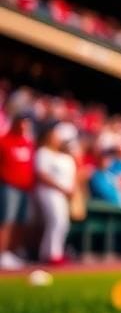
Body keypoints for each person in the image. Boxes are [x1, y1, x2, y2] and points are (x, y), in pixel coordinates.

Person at [35, 123, 77, 265]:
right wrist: (62, 188)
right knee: (56, 221)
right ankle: (52, 254)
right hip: (49, 191)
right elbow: (42, 174)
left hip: (62, 194)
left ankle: (52, 252)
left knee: (63, 223)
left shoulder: (65, 157)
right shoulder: (43, 152)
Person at [0, 114, 35, 270]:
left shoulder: (28, 143)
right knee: (7, 221)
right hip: (9, 187)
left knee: (21, 222)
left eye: (26, 124)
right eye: (21, 124)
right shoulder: (4, 141)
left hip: (25, 188)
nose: (23, 127)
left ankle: (12, 253)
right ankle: (2, 253)